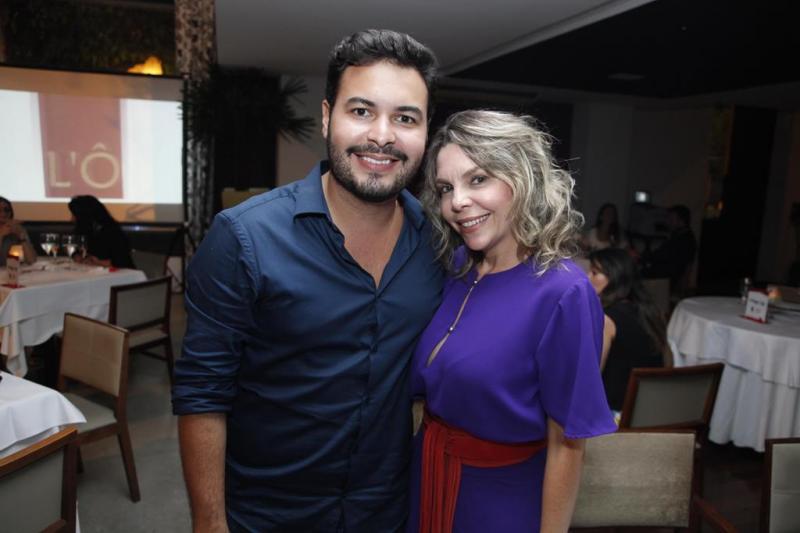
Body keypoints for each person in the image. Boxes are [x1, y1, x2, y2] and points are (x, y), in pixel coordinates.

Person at [172, 29, 443, 532]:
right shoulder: (245, 238)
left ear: (426, 131)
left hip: (385, 513)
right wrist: (209, 523)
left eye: (405, 118)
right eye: (361, 111)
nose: (382, 135)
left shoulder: (438, 245)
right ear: (326, 117)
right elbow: (202, 393)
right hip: (266, 514)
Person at [408, 110, 616, 533]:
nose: (457, 202)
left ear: (522, 179)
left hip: (498, 501)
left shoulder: (563, 291)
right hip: (424, 480)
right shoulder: (456, 267)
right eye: (446, 188)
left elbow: (567, 446)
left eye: (478, 179)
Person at [587, 248, 669, 412]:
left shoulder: (607, 319)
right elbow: (668, 361)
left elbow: (591, 378)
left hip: (616, 413)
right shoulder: (650, 311)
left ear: (614, 277)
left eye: (594, 273)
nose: (587, 277)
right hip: (651, 408)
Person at [67, 195, 134, 269]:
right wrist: (76, 256)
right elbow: (80, 252)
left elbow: (123, 262)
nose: (72, 219)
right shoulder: (89, 232)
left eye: (74, 215)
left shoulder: (113, 233)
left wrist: (98, 262)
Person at [641, 204, 697, 288]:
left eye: (671, 219)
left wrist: (645, 257)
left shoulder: (684, 240)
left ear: (681, 221)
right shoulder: (679, 235)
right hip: (661, 275)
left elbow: (663, 256)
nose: (668, 221)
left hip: (663, 279)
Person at [0, 196, 37, 266]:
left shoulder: (16, 228)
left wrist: (21, 237)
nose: (3, 213)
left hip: (12, 271)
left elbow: (32, 260)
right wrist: (1, 235)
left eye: (6, 210)